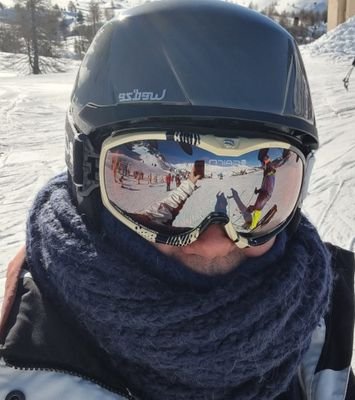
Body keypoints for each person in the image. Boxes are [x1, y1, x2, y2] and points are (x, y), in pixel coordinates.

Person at [0, 1, 354, 400]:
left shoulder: (319, 338)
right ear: (88, 182)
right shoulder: (20, 370)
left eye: (262, 173)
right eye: (170, 178)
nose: (216, 240)